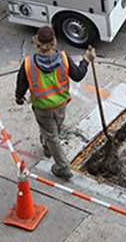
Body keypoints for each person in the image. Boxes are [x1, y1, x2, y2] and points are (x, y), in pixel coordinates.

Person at [15, 25, 95, 180]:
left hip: (42, 107)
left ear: (37, 42)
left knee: (52, 135)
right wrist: (86, 60)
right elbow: (78, 75)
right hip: (61, 104)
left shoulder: (28, 64)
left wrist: (19, 97)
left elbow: (21, 85)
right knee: (54, 130)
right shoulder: (64, 58)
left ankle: (62, 166)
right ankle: (47, 148)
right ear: (54, 42)